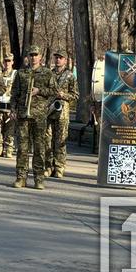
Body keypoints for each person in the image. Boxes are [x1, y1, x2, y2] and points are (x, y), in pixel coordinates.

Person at [10, 46, 57, 190]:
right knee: (22, 148)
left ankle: (39, 179)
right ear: (28, 57)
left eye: (36, 55)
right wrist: (13, 109)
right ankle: (21, 177)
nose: (33, 57)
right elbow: (14, 93)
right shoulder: (21, 73)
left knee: (39, 148)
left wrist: (39, 91)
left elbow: (54, 91)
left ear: (40, 56)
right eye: (31, 55)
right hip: (23, 115)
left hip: (39, 116)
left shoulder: (47, 73)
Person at [44, 49, 79, 178]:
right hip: (49, 111)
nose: (58, 60)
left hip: (62, 113)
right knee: (47, 140)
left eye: (61, 58)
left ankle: (59, 167)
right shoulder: (49, 74)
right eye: (56, 57)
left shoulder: (70, 76)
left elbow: (75, 95)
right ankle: (48, 166)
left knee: (60, 141)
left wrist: (64, 95)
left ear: (65, 60)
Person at [0, 53, 17, 158]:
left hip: (10, 106)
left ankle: (9, 149)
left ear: (12, 62)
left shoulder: (16, 74)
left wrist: (15, 108)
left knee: (10, 129)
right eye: (5, 61)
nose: (7, 63)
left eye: (9, 61)